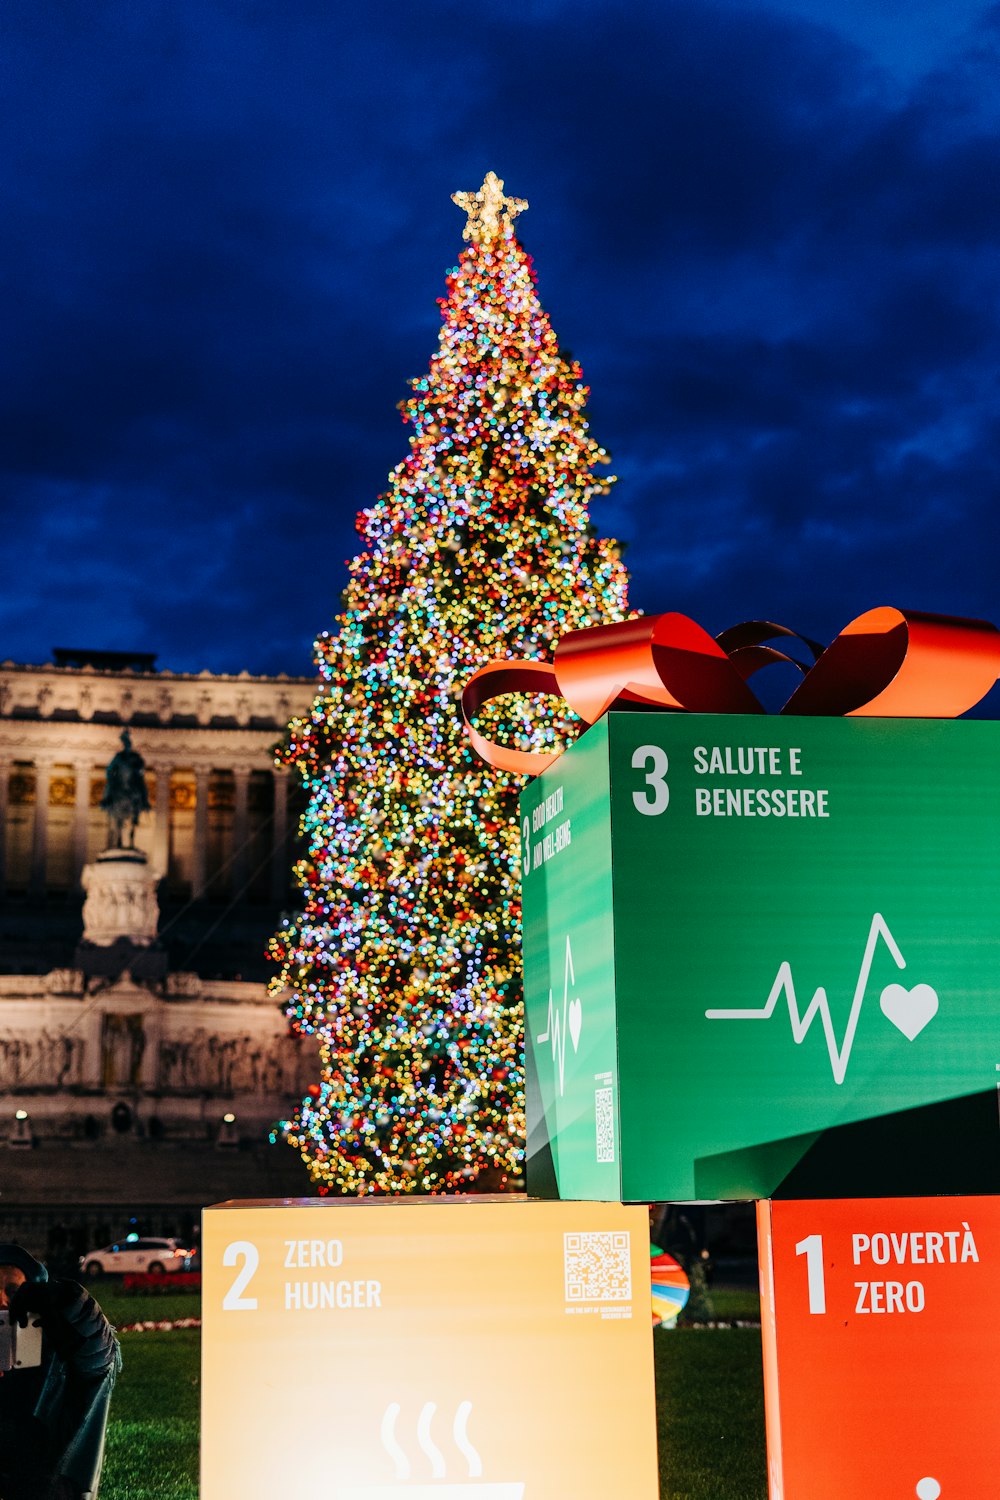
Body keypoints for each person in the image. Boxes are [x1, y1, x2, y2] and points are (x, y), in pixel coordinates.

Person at [0, 1244, 120, 1500]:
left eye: (12, 1291)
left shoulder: (61, 1350)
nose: (1, 1301)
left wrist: (72, 1306)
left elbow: (97, 1353)